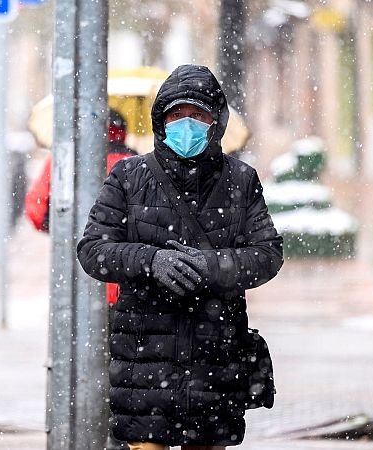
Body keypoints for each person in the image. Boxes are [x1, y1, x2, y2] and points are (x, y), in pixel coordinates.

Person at [76, 64, 283, 449]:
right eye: (176, 114)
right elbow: (93, 250)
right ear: (161, 120)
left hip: (215, 354)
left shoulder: (241, 180)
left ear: (215, 122)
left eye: (198, 114)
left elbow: (268, 254)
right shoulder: (129, 176)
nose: (186, 124)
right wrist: (151, 261)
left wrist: (211, 267)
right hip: (144, 358)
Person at [25, 109, 138, 305]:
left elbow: (36, 209)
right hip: (124, 284)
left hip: (74, 279)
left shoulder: (65, 161)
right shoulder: (138, 166)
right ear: (122, 132)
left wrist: (63, 227)